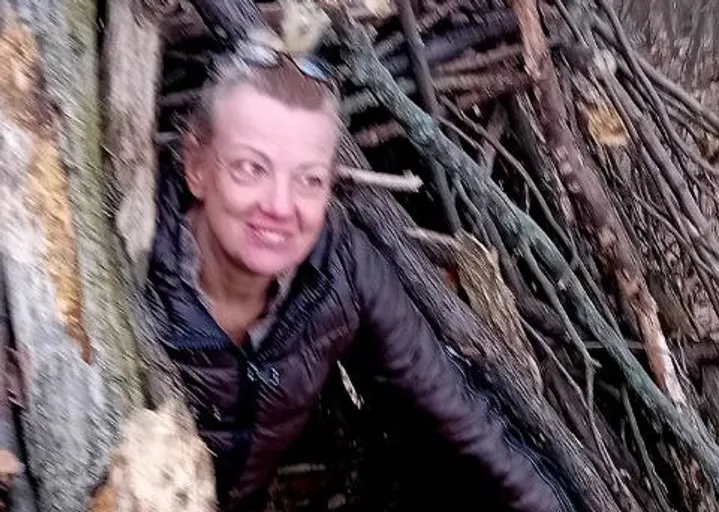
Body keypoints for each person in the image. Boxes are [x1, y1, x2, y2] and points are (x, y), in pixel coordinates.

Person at [146, 42, 569, 512]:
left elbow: (455, 403)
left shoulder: (339, 269)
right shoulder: (139, 268)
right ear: (196, 167)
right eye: (252, 168)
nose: (280, 206)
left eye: (308, 179)